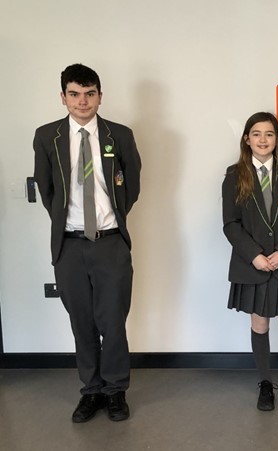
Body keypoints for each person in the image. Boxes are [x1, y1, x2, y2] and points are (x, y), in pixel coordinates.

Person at [34, 64, 142, 422]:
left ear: (100, 96)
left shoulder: (120, 135)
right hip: (69, 246)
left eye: (90, 93)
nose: (83, 101)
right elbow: (47, 189)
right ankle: (91, 390)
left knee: (112, 321)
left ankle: (115, 391)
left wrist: (108, 222)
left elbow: (132, 187)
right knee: (81, 321)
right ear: (63, 97)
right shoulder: (46, 136)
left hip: (110, 243)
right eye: (75, 94)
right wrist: (71, 225)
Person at [222, 112, 278, 411]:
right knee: (260, 323)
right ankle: (264, 383)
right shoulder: (235, 176)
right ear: (247, 139)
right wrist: (255, 256)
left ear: (277, 139)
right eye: (257, 133)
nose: (263, 139)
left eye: (269, 134)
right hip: (254, 264)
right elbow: (231, 224)